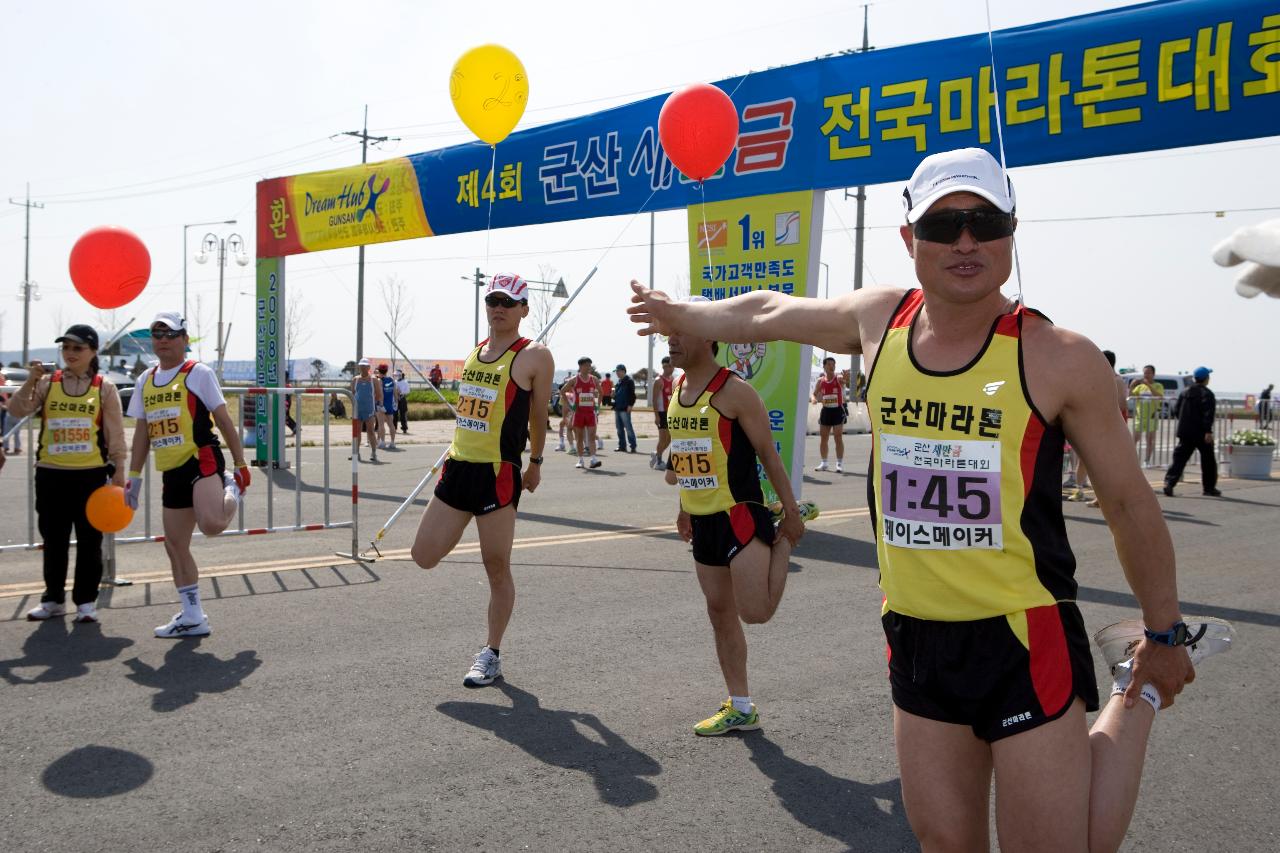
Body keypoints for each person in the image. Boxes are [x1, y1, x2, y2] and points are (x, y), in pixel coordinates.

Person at [628, 147, 1214, 852]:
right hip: (915, 633)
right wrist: (679, 310)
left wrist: (1166, 630)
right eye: (944, 225)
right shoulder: (882, 321)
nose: (966, 240)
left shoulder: (1059, 356)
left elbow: (1127, 504)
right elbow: (769, 309)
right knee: (943, 842)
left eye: (984, 220)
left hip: (1022, 634)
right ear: (910, 239)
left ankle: (1137, 691)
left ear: (1011, 229)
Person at [660, 301, 814, 735]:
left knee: (756, 613)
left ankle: (784, 542)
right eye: (669, 332)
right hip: (703, 521)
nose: (671, 339)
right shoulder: (677, 391)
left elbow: (769, 453)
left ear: (709, 336)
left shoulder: (735, 391)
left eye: (680, 330)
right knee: (719, 612)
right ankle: (741, 705)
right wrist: (683, 509)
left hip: (741, 515)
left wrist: (789, 514)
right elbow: (689, 457)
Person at [410, 273, 553, 687]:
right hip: (458, 466)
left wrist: (536, 462)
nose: (498, 307)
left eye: (508, 301)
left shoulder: (534, 355)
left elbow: (538, 416)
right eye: (492, 300)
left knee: (495, 567)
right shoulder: (476, 351)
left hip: (498, 473)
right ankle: (464, 522)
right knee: (423, 555)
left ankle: (491, 653)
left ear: (524, 309)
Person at [124, 313, 250, 638]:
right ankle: (193, 615)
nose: (162, 339)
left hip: (201, 458)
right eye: (157, 334)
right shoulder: (145, 380)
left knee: (212, 525)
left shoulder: (198, 373)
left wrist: (240, 464)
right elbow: (141, 433)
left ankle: (231, 489)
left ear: (184, 339)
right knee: (175, 544)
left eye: (170, 333)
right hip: (171, 468)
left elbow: (223, 420)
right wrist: (134, 475)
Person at [8, 325, 126, 623]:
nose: (70, 354)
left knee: (90, 541)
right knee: (54, 539)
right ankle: (53, 599)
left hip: (90, 476)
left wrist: (120, 473)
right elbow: (17, 410)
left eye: (77, 348)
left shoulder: (104, 387)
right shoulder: (48, 383)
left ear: (93, 352)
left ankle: (86, 602)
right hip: (51, 475)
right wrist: (31, 381)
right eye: (66, 348)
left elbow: (115, 435)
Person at [1164, 366, 1220, 498]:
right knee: (1208, 461)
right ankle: (1209, 488)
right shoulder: (1207, 394)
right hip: (1201, 433)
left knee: (1179, 460)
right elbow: (1208, 414)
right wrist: (1208, 431)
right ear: (1206, 378)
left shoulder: (1185, 392)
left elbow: (1177, 411)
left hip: (1185, 432)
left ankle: (1169, 483)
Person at [812, 356, 846, 473]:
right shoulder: (820, 381)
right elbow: (814, 394)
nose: (832, 366)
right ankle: (824, 462)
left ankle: (839, 463)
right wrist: (814, 399)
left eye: (833, 364)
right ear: (825, 366)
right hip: (826, 411)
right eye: (829, 364)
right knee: (824, 438)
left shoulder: (838, 378)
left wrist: (846, 378)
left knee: (838, 437)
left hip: (837, 410)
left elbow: (844, 381)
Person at [568, 358, 602, 469]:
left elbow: (601, 392)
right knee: (579, 438)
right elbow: (563, 391)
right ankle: (580, 460)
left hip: (590, 413)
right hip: (579, 413)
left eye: (590, 365)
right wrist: (571, 405)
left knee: (591, 437)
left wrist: (598, 407)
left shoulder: (594, 379)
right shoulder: (574, 380)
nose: (589, 368)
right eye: (587, 365)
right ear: (580, 366)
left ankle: (593, 459)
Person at [1129, 365, 1164, 469]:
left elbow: (1159, 396)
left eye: (1148, 373)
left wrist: (1148, 385)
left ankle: (1147, 460)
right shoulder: (1140, 387)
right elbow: (1131, 396)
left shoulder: (1158, 385)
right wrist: (1131, 385)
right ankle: (1131, 460)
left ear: (1153, 374)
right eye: (1145, 373)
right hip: (1140, 417)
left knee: (1150, 440)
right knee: (1134, 439)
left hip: (1152, 416)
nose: (1146, 375)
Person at [350, 359, 379, 463]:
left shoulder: (374, 380)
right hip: (357, 410)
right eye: (361, 366)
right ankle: (356, 453)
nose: (362, 368)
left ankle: (374, 452)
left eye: (365, 366)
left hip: (369, 409)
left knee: (370, 431)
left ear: (368, 368)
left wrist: (374, 406)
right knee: (357, 432)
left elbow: (378, 395)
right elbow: (352, 394)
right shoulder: (355, 380)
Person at [650, 356, 676, 470]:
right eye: (670, 366)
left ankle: (656, 453)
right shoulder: (658, 380)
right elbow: (654, 400)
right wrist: (656, 416)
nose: (672, 368)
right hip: (661, 413)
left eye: (673, 366)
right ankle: (659, 461)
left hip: (670, 413)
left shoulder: (674, 379)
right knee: (662, 438)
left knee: (669, 439)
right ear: (665, 366)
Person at [612, 364, 637, 453]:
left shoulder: (629, 381)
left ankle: (633, 446)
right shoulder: (618, 382)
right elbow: (617, 396)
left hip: (625, 408)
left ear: (623, 371)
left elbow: (633, 395)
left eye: (618, 371)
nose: (617, 373)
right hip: (617, 408)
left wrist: (630, 405)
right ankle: (622, 446)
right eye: (616, 372)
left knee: (628, 428)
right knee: (619, 429)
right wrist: (613, 396)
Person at [375, 363, 398, 450]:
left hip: (382, 405)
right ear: (386, 371)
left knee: (381, 424)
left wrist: (381, 404)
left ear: (379, 370)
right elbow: (395, 392)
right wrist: (396, 402)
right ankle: (392, 442)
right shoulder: (392, 379)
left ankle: (383, 442)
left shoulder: (379, 380)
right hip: (390, 405)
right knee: (391, 424)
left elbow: (381, 394)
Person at [395, 369, 410, 434]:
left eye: (398, 375)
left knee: (403, 414)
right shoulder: (394, 382)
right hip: (395, 399)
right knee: (394, 414)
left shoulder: (405, 382)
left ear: (401, 375)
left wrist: (400, 392)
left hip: (402, 398)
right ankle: (394, 428)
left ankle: (404, 428)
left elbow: (408, 391)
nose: (397, 376)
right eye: (396, 375)